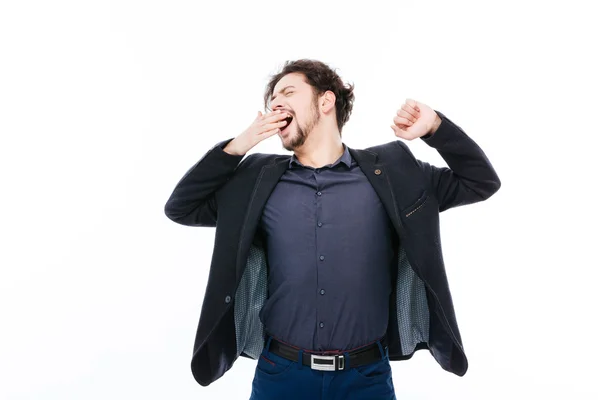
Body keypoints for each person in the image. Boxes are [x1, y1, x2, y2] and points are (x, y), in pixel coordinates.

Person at [164, 59, 501, 399]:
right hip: (281, 376)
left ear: (326, 101)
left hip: (366, 379)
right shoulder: (256, 179)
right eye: (273, 99)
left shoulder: (395, 172)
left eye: (288, 92)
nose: (276, 103)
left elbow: (481, 182)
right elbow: (181, 207)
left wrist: (435, 128)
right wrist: (237, 146)